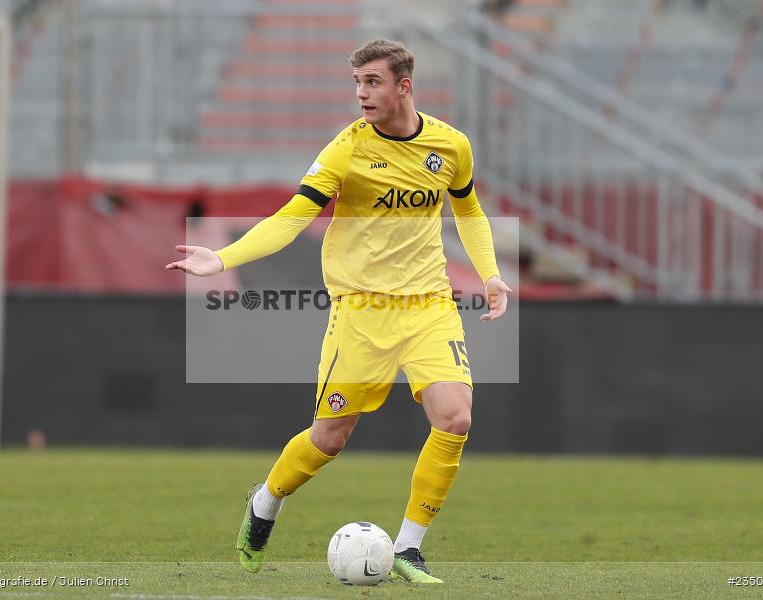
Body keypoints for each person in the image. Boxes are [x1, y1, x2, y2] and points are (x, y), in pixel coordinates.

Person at [166, 38, 512, 584]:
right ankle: (266, 500)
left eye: (373, 82)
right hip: (361, 312)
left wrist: (489, 272)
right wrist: (225, 257)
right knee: (329, 437)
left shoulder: (451, 145)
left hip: (428, 305)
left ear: (404, 86)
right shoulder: (345, 151)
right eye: (357, 83)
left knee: (456, 417)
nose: (361, 94)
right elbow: (292, 216)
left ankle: (408, 548)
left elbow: (468, 211)